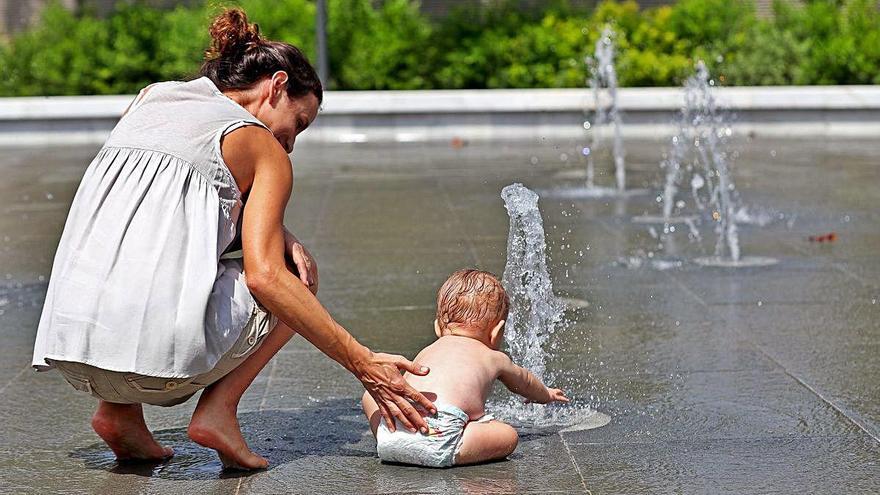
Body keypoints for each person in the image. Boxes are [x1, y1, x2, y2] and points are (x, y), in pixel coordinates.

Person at [31, 7, 435, 471]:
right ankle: (218, 412)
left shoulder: (152, 98)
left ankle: (118, 412)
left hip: (73, 349)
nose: (291, 143)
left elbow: (152, 204)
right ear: (277, 85)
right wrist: (362, 362)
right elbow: (265, 279)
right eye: (299, 123)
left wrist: (276, 227)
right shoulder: (262, 146)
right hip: (154, 367)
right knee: (293, 279)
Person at [361, 269, 569, 468]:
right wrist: (546, 394)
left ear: (437, 326)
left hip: (393, 432)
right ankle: (460, 442)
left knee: (370, 397)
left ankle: (390, 438)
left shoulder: (427, 350)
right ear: (497, 332)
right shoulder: (494, 357)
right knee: (508, 435)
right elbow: (524, 382)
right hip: (443, 440)